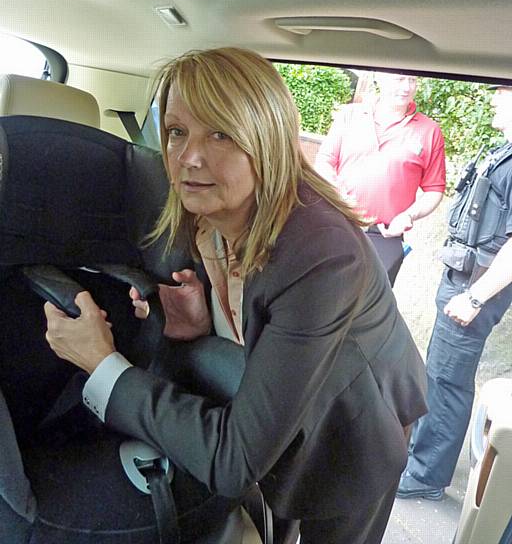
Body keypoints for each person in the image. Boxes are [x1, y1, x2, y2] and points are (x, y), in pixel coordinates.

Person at [44, 47, 427, 544]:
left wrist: (103, 365)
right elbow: (265, 325)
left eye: (220, 133)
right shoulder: (205, 219)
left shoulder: (324, 252)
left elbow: (233, 461)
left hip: (354, 429)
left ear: (264, 139)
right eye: (178, 132)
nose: (189, 157)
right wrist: (208, 325)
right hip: (282, 422)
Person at [398, 83, 512, 501]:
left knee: (448, 381)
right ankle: (419, 461)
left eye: (502, 92)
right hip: (462, 280)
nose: (495, 99)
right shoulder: (504, 150)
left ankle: (427, 477)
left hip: (474, 288)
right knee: (439, 374)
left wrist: (476, 297)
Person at [315, 72, 446, 286]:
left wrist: (409, 215)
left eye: (412, 80)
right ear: (379, 78)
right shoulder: (350, 115)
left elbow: (434, 190)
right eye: (399, 79)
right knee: (320, 294)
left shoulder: (429, 131)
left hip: (384, 237)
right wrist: (338, 196)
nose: (406, 87)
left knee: (367, 310)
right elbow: (324, 161)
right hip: (335, 224)